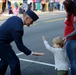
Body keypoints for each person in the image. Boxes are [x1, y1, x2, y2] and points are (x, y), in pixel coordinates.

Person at [0, 9, 44, 75]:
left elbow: (4, 30)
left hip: (3, 42)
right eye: (31, 21)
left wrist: (7, 42)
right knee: (15, 62)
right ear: (26, 18)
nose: (31, 24)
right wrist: (31, 53)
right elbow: (20, 46)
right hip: (1, 43)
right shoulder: (18, 29)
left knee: (5, 60)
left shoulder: (14, 18)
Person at [62, 0, 76, 75]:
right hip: (71, 40)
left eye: (65, 7)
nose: (64, 8)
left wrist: (67, 37)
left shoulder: (72, 16)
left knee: (72, 62)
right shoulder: (70, 14)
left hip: (72, 41)